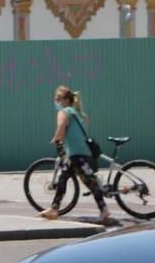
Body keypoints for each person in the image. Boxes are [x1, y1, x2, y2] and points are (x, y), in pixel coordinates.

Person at [41, 86, 115, 226]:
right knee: (64, 178)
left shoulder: (64, 112)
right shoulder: (79, 113)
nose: (55, 101)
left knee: (90, 183)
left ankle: (104, 210)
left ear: (65, 100)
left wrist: (57, 140)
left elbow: (61, 126)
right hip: (81, 153)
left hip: (76, 154)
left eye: (58, 99)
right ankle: (54, 209)